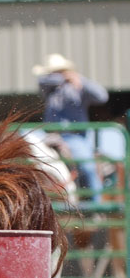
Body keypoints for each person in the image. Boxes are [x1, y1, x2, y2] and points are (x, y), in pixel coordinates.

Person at [33, 53, 109, 204]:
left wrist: (81, 81)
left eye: (58, 71)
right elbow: (42, 81)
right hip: (51, 136)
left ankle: (96, 207)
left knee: (88, 167)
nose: (54, 75)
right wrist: (65, 78)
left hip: (74, 137)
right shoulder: (49, 87)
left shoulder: (79, 86)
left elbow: (102, 96)